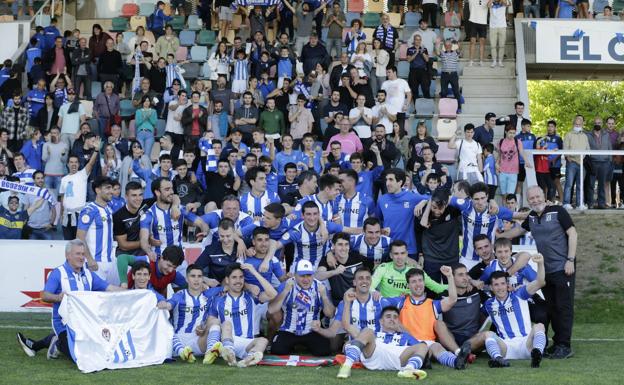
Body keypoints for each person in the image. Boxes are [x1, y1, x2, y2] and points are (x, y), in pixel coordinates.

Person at [498, 186, 577, 359]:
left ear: (544, 196)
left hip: (564, 267)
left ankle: (565, 345)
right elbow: (518, 230)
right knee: (551, 307)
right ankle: (556, 344)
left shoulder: (558, 211)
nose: (535, 200)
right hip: (546, 270)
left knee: (563, 307)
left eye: (537, 197)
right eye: (531, 198)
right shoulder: (532, 216)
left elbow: (573, 234)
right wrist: (498, 237)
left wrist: (570, 260)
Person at [16, 239, 123, 360]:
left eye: (83, 254)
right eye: (78, 254)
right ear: (68, 256)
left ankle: (50, 342)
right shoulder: (58, 273)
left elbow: (109, 288)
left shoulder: (89, 274)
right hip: (63, 325)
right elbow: (44, 295)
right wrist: (58, 297)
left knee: (101, 350)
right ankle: (57, 343)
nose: (82, 257)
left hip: (84, 324)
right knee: (80, 358)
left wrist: (135, 293)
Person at [207, 262, 277, 367]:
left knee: (263, 341)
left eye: (241, 277)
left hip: (247, 343)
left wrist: (254, 272)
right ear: (227, 280)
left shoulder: (251, 297)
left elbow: (273, 294)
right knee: (226, 324)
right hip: (227, 339)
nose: (238, 281)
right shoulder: (218, 300)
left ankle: (248, 360)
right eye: (234, 277)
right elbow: (211, 321)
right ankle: (230, 353)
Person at [482, 254, 547, 368]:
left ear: (507, 285)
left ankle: (537, 355)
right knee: (488, 334)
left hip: (526, 344)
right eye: (496, 285)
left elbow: (540, 282)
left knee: (539, 326)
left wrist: (540, 263)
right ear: (491, 288)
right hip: (506, 347)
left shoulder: (519, 294)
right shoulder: (488, 304)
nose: (500, 287)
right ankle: (498, 359)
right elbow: (477, 321)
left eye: (502, 284)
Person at [336, 306, 429, 379]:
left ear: (398, 322)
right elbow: (348, 345)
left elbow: (422, 351)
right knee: (368, 330)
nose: (392, 319)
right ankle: (346, 367)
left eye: (395, 317)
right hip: (374, 355)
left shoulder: (406, 336)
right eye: (388, 316)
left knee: (423, 345)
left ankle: (409, 369)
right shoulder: (373, 334)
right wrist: (348, 345)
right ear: (381, 321)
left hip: (398, 359)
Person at [268, 260, 335, 356]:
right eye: (302, 276)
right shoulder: (287, 285)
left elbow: (330, 314)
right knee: (278, 350)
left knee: (324, 351)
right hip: (289, 330)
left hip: (312, 330)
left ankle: (301, 345)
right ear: (295, 275)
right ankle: (293, 344)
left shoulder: (320, 286)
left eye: (309, 275)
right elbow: (271, 310)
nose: (306, 279)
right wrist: (285, 291)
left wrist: (324, 296)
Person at [158, 264, 220, 363]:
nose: (196, 280)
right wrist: (164, 304)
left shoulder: (208, 295)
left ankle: (210, 353)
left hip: (197, 340)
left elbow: (228, 287)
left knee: (215, 322)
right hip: (178, 340)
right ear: (187, 279)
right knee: (165, 325)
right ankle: (182, 352)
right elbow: (169, 305)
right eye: (193, 276)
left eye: (199, 276)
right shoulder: (179, 295)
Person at [139, 177, 207, 261]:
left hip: (179, 260)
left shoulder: (180, 209)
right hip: (159, 260)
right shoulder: (149, 215)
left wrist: (204, 231)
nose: (171, 192)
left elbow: (201, 223)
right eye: (167, 189)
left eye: (171, 188)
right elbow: (143, 240)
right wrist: (149, 252)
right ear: (157, 192)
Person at [376, 169, 426, 259]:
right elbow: (377, 220)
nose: (387, 183)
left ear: (400, 182)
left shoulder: (412, 197)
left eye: (391, 180)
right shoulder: (382, 199)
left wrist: (424, 202)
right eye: (386, 180)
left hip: (408, 249)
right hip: (387, 247)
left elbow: (434, 198)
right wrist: (381, 229)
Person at [75, 176, 116, 283]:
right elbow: (79, 238)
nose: (111, 191)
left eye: (112, 188)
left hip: (108, 262)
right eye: (107, 188)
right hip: (94, 263)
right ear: (97, 190)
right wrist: (89, 259)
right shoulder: (89, 210)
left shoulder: (109, 209)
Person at [371, 240, 446, 298]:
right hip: (389, 309)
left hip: (409, 308)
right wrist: (374, 292)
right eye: (396, 254)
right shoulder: (383, 268)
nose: (399, 257)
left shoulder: (416, 271)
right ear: (391, 255)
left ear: (407, 253)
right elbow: (370, 286)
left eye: (402, 253)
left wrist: (453, 283)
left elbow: (437, 288)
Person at [59, 141, 100, 240]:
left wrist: (96, 150)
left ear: (78, 164)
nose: (73, 164)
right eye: (71, 162)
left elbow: (90, 163)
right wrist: (61, 214)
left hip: (79, 214)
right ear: (68, 164)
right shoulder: (63, 179)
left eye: (76, 162)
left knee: (79, 242)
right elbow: (62, 198)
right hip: (66, 216)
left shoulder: (82, 175)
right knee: (68, 243)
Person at [418, 190, 462, 282]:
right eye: (434, 207)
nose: (437, 211)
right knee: (431, 292)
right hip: (431, 258)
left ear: (446, 204)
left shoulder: (454, 210)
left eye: (440, 208)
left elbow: (468, 201)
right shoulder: (423, 209)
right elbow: (421, 227)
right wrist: (420, 254)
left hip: (451, 258)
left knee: (450, 290)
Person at [117, 245, 186, 296]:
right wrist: (124, 283)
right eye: (169, 265)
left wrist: (175, 299)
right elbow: (122, 258)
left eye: (174, 267)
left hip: (151, 304)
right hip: (128, 297)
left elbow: (191, 287)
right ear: (161, 258)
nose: (170, 270)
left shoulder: (174, 274)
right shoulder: (147, 261)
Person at [112, 181, 148, 256]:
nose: (138, 199)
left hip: (143, 252)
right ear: (126, 196)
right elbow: (123, 245)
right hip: (125, 255)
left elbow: (170, 197)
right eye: (134, 195)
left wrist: (174, 206)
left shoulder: (145, 205)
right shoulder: (118, 216)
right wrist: (146, 242)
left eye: (140, 195)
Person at [562, 115, 590, 209]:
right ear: (573, 124)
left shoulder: (585, 136)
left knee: (580, 185)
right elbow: (565, 148)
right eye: (576, 123)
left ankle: (580, 204)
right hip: (572, 162)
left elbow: (588, 149)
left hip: (582, 163)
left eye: (579, 124)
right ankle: (566, 203)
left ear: (582, 124)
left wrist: (584, 159)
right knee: (569, 184)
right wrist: (568, 157)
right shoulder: (568, 134)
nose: (578, 125)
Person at [23, 171, 57, 240]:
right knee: (32, 250)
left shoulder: (49, 192)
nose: (40, 180)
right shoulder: (28, 192)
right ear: (34, 180)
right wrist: (25, 224)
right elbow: (25, 209)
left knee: (48, 250)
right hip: (31, 229)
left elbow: (54, 210)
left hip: (46, 229)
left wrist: (51, 224)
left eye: (42, 178)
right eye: (38, 178)